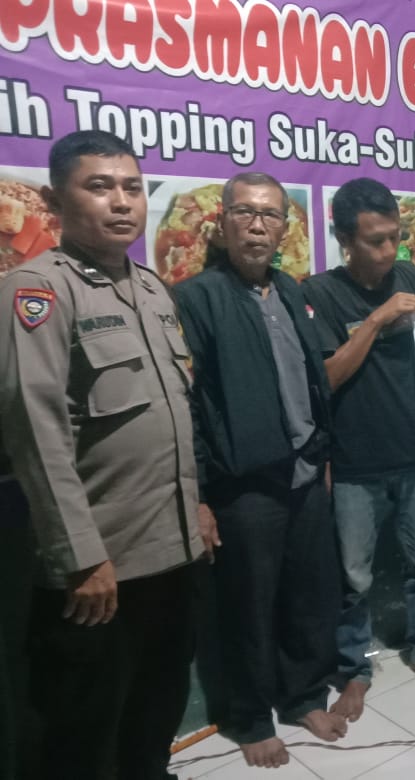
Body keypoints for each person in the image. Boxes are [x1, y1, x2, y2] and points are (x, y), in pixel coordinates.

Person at [0, 130, 202, 780]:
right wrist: (81, 555)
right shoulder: (37, 290)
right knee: (85, 736)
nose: (121, 202)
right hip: (101, 571)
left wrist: (197, 506)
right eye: (99, 186)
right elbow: (35, 430)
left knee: (156, 709)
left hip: (172, 554)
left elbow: (173, 416)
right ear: (56, 201)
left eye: (132, 187)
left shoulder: (153, 289)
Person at [174, 172, 344, 768]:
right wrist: (199, 495)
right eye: (244, 212)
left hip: (305, 473)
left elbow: (313, 380)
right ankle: (249, 718)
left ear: (283, 229)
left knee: (309, 596)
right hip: (243, 485)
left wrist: (321, 454)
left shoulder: (292, 290)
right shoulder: (196, 298)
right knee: (247, 606)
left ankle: (303, 696)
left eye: (270, 215)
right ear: (221, 223)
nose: (257, 225)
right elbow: (188, 405)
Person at [301, 177, 415, 723]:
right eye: (375, 241)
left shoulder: (410, 276)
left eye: (394, 238)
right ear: (344, 240)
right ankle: (355, 671)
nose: (389, 252)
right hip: (353, 461)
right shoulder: (319, 292)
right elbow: (328, 378)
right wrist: (378, 319)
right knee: (353, 579)